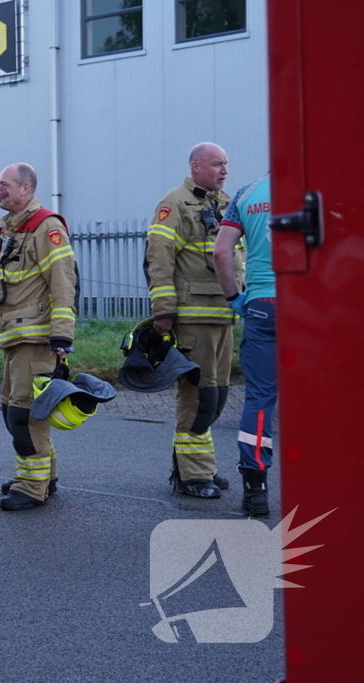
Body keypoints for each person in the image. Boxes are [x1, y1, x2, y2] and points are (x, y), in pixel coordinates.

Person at [0, 163, 76, 511]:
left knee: (25, 415)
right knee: (13, 410)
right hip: (12, 335)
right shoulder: (7, 228)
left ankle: (31, 486)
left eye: (4, 185)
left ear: (25, 188)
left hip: (36, 339)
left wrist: (61, 337)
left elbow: (64, 284)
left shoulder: (47, 228)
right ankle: (41, 474)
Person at [145, 142, 234, 498]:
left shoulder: (225, 203)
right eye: (216, 164)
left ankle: (202, 466)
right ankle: (191, 475)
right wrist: (164, 312)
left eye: (226, 164)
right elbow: (159, 260)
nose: (224, 170)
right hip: (192, 315)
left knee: (220, 395)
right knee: (199, 397)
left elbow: (236, 258)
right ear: (196, 166)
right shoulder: (174, 203)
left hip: (224, 315)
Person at [213, 173, 274, 516]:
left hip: (263, 305)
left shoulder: (248, 193)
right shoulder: (322, 187)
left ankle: (256, 489)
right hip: (312, 307)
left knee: (261, 399)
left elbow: (222, 253)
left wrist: (235, 298)